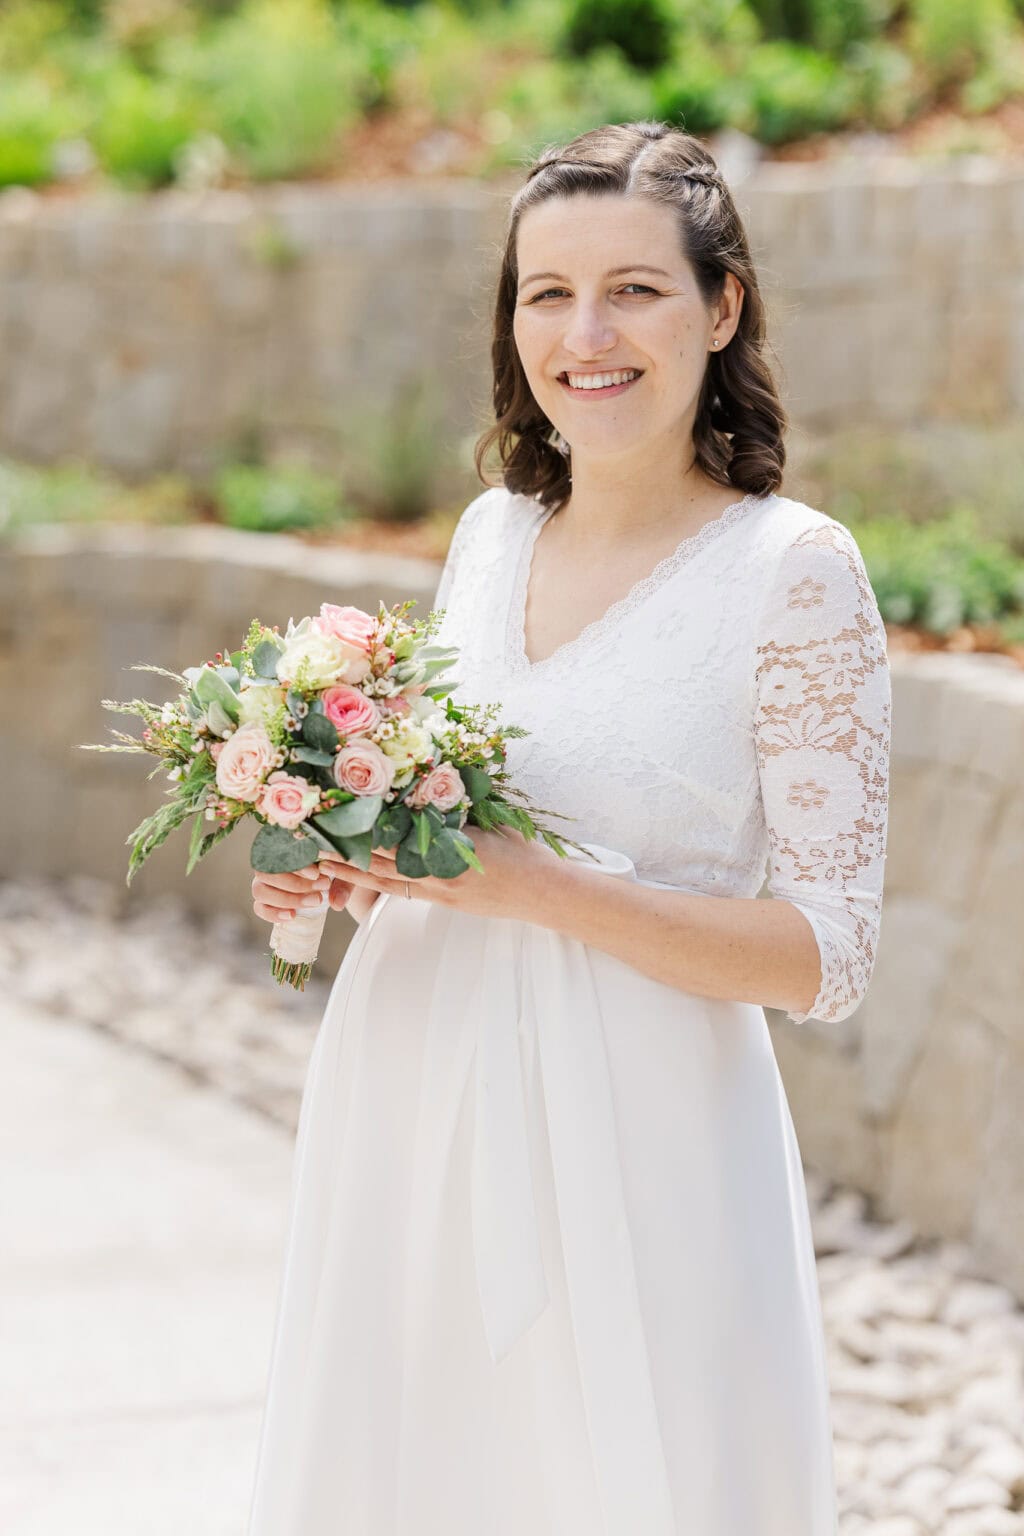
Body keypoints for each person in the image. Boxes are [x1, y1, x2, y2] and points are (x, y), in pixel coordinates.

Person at [245, 119, 891, 1535]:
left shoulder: (793, 573)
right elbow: (449, 842)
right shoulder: (490, 538)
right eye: (548, 293)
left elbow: (829, 955)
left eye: (634, 290)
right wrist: (339, 859)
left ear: (720, 309)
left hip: (642, 1137)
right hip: (411, 1100)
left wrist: (538, 888)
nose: (585, 335)